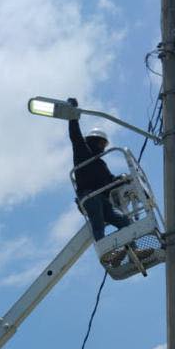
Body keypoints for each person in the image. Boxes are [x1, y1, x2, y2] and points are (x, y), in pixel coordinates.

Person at [66, 97, 131, 242]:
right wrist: (72, 113)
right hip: (89, 196)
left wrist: (123, 179)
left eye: (104, 144)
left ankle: (131, 250)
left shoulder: (101, 165)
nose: (102, 147)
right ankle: (106, 249)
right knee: (98, 222)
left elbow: (110, 182)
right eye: (100, 143)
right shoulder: (83, 151)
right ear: (93, 141)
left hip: (103, 199)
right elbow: (75, 135)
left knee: (124, 221)